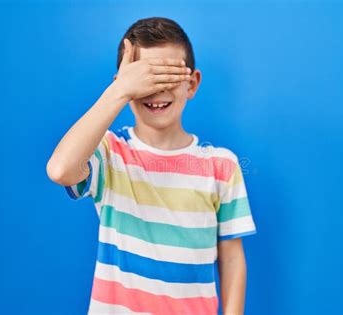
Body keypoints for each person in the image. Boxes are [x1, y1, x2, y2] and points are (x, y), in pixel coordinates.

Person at [46, 16, 257, 315]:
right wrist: (119, 90)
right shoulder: (110, 154)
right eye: (145, 79)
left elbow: (232, 257)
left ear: (192, 83)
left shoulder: (221, 165)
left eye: (167, 77)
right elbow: (60, 170)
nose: (156, 91)